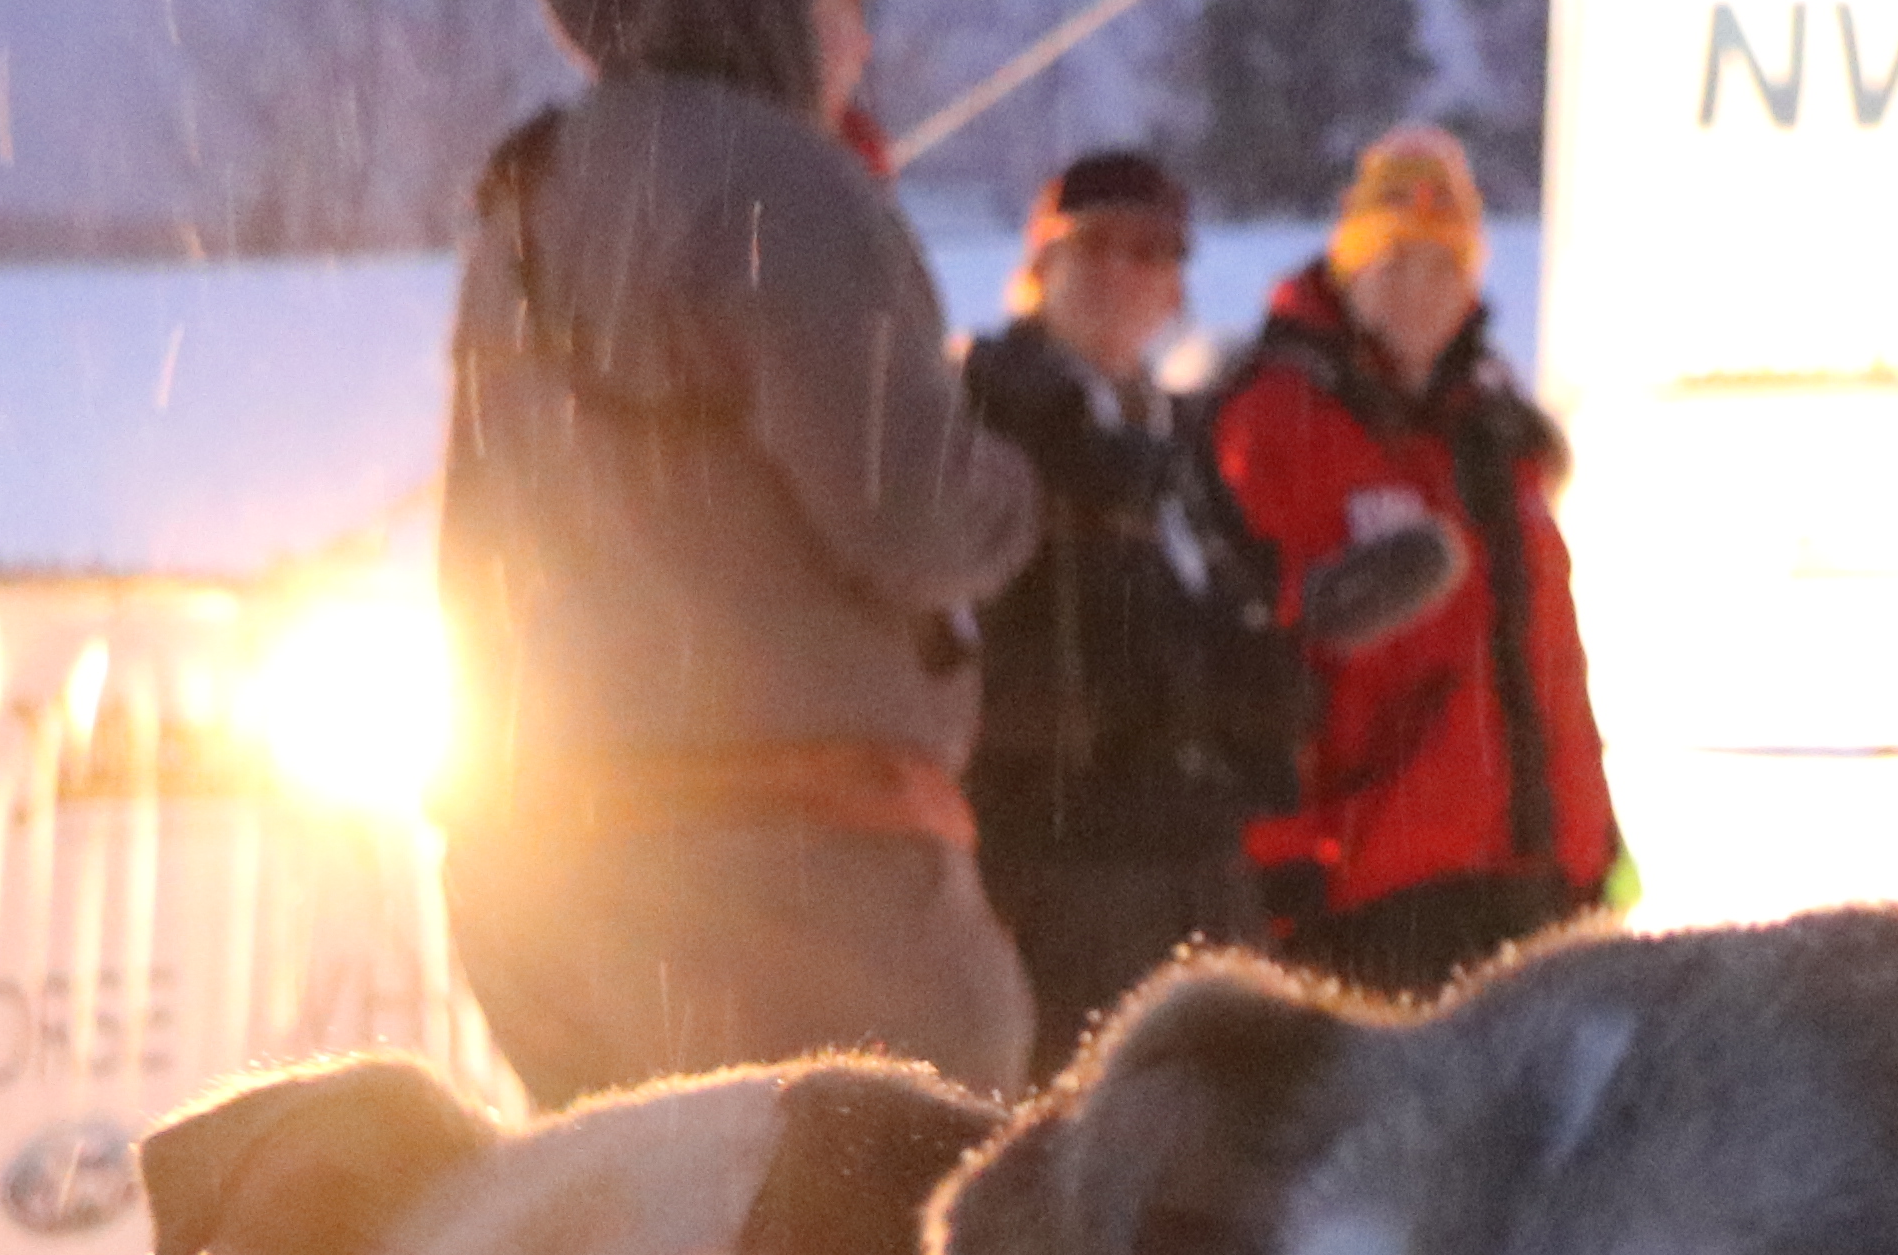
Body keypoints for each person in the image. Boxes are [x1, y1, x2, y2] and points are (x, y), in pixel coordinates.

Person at [437, 0, 1037, 1107]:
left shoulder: (529, 191)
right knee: (886, 1232)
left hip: (546, 866)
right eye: (848, 8)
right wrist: (1014, 488)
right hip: (787, 877)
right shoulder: (778, 181)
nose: (861, 44)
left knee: (648, 1244)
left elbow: (472, 555)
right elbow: (907, 510)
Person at [1207, 124, 1617, 1004]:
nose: (1420, 291)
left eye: (1443, 266)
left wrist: (1600, 842)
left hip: (1536, 878)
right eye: (1395, 263)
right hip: (1377, 888)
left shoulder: (1497, 438)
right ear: (1351, 268)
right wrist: (1285, 864)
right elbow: (1249, 652)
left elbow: (1552, 666)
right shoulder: (1277, 419)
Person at [958, 150, 1304, 1065]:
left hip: (1197, 875)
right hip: (1055, 881)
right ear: (1040, 269)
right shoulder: (984, 420)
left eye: (1152, 251)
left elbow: (1218, 652)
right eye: (1093, 245)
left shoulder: (1182, 446)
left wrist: (1288, 654)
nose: (1122, 272)